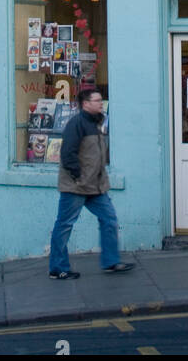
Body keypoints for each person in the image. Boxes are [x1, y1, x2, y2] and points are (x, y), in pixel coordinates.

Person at [48, 89, 134, 279]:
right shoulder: (76, 124)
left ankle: (111, 261)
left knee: (109, 219)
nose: (100, 103)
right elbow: (67, 154)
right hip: (76, 186)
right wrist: (78, 176)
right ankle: (57, 268)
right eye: (96, 100)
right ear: (86, 104)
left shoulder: (97, 123)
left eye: (100, 100)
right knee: (64, 225)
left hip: (96, 186)